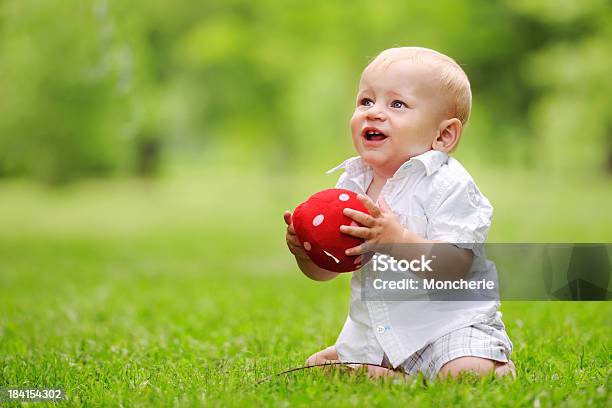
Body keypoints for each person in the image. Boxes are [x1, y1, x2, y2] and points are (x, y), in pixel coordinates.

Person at [283, 47, 515, 380]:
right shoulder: (351, 184)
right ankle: (394, 375)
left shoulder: (447, 184)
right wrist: (306, 253)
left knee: (465, 371)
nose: (374, 113)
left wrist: (397, 241)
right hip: (381, 334)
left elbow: (454, 268)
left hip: (449, 329)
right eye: (366, 101)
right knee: (318, 368)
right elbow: (328, 271)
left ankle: (490, 364)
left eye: (397, 104)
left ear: (443, 134)